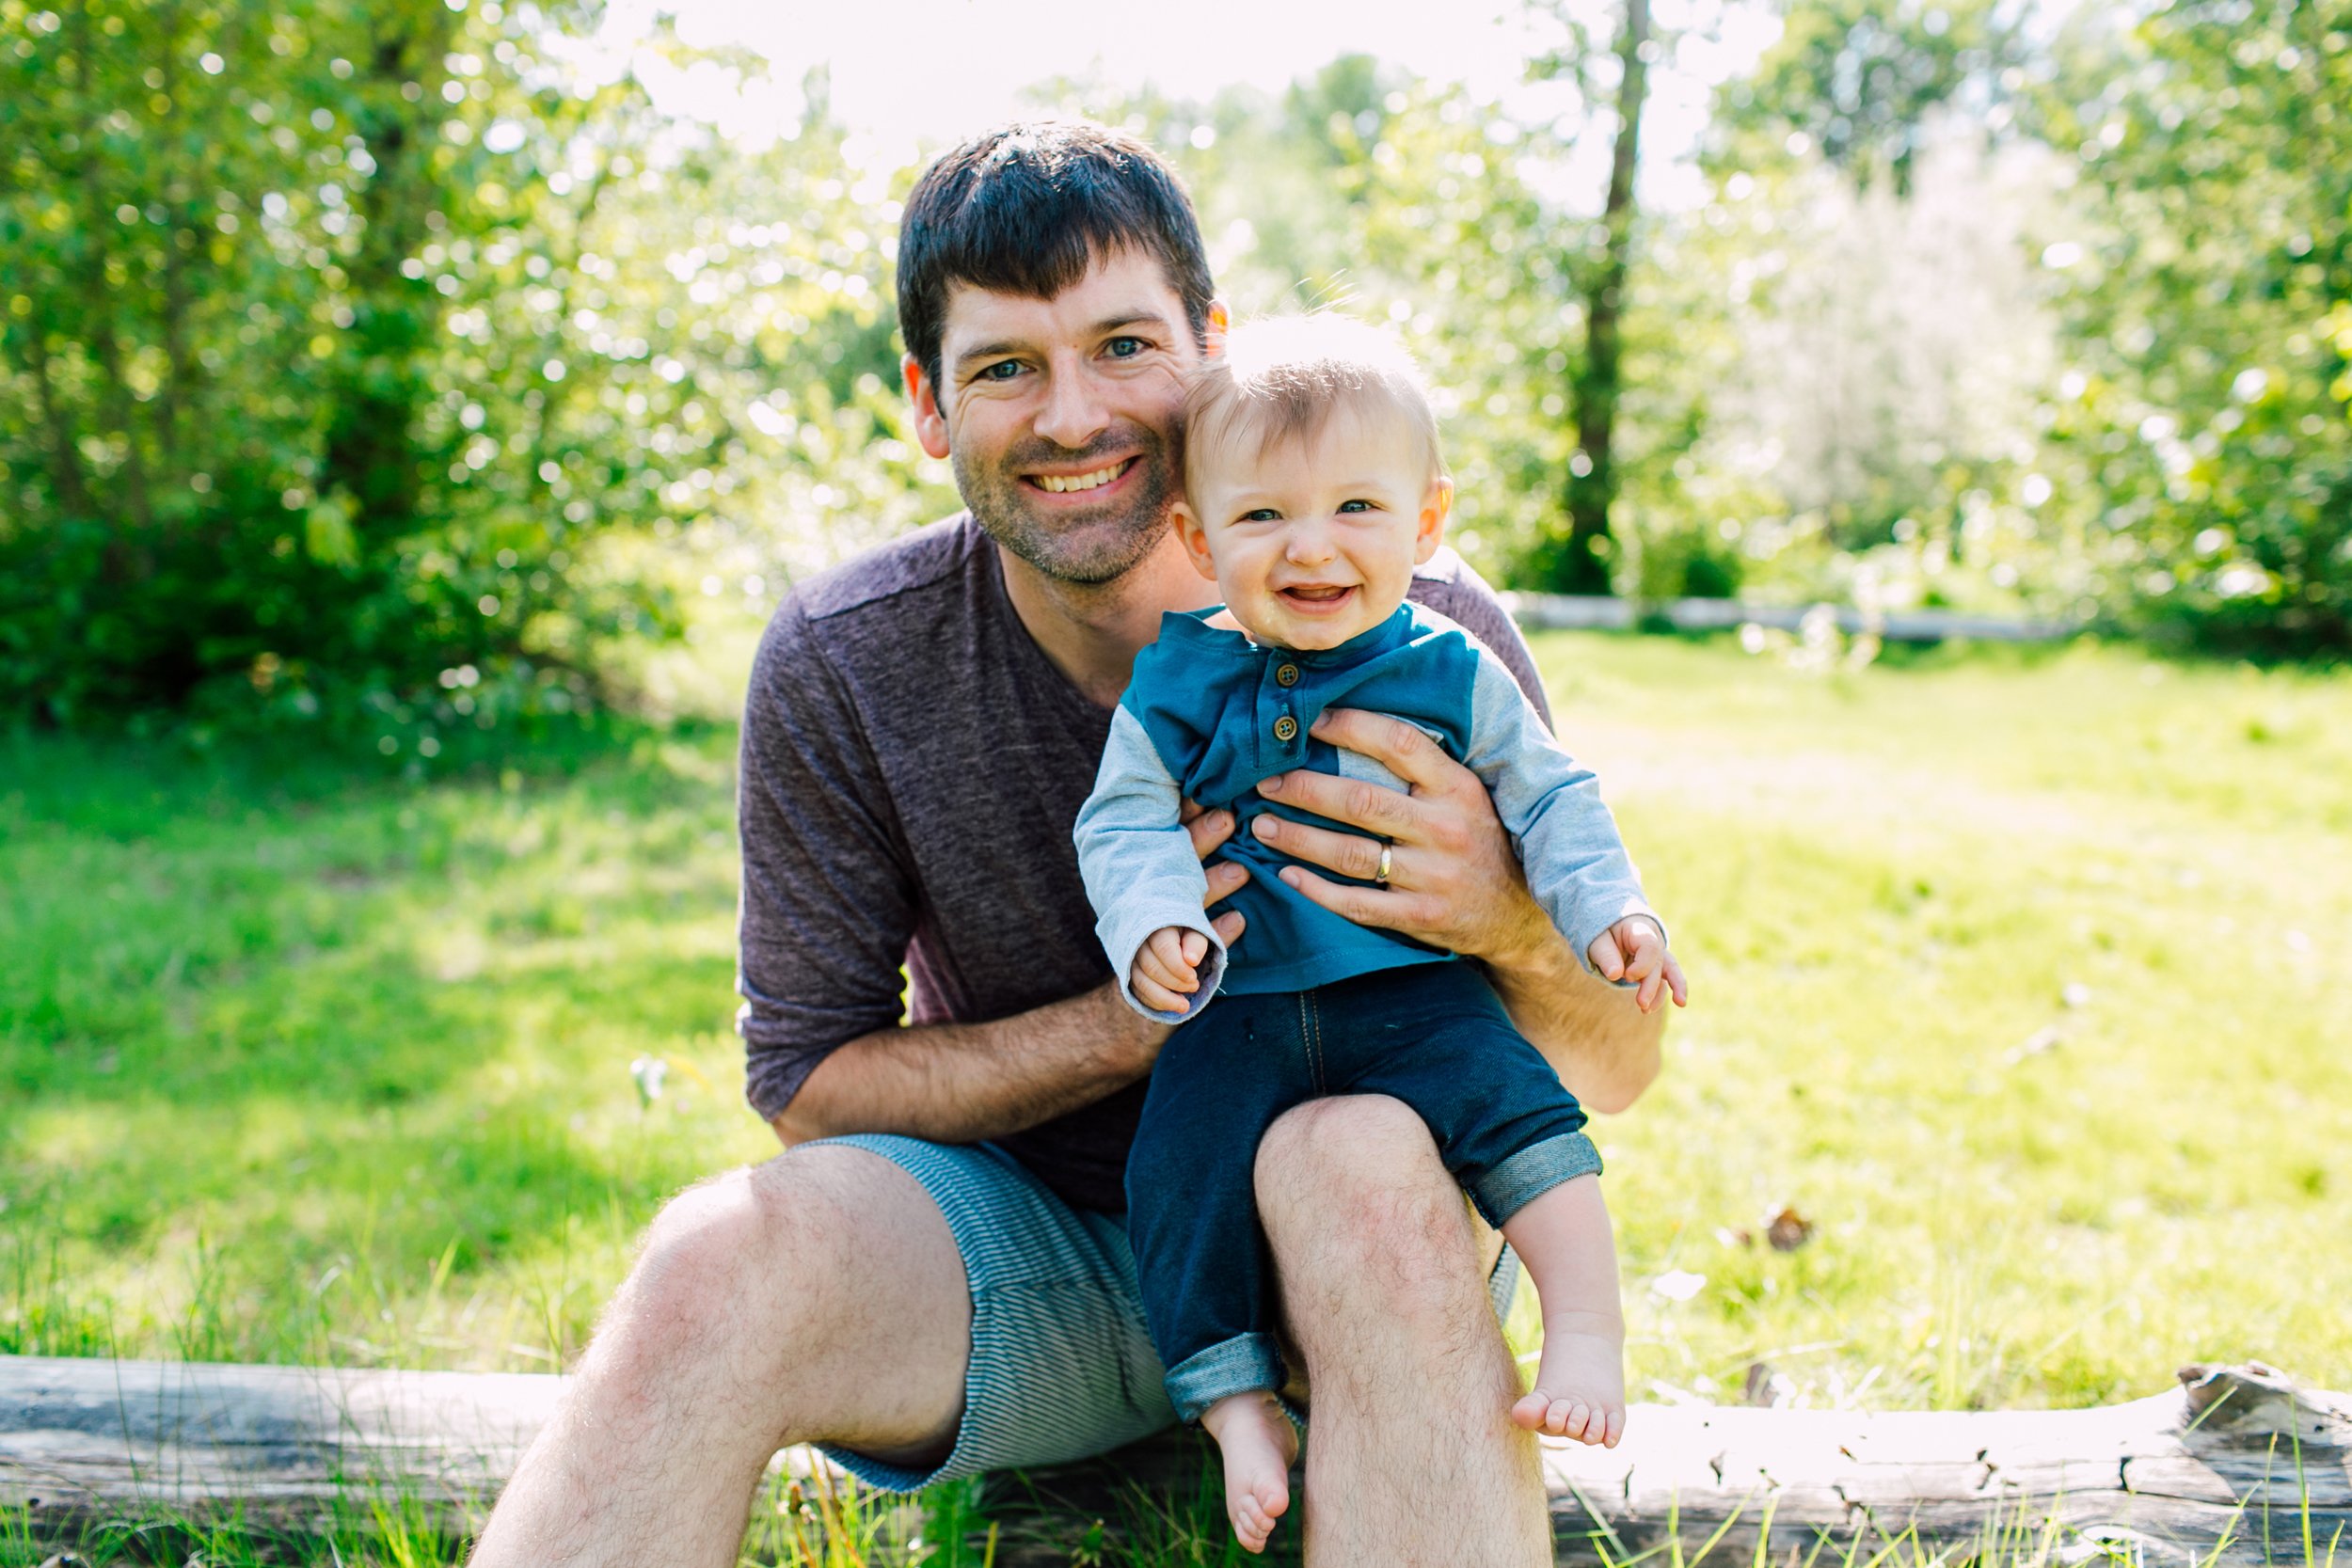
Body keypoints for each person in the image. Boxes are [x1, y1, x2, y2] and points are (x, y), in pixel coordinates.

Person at [467, 121, 1667, 1568]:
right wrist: (1128, 1025)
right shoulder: (849, 661)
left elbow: (1620, 1066)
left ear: (1213, 350)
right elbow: (808, 1087)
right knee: (711, 1260)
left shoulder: (1418, 620)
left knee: (1356, 1158)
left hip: (1356, 1246)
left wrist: (1507, 918)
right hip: (1024, 1255)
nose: (1073, 416)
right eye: (1004, 368)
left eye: (1122, 346)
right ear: (928, 404)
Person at [1076, 314, 1687, 1552]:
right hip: (1244, 1007)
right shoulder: (1177, 680)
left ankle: (1585, 1331)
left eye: (1357, 506)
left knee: (1524, 1116)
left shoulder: (1449, 666)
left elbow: (1550, 795)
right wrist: (1155, 923)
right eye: (1263, 516)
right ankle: (1236, 1404)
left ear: (1426, 520)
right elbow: (1124, 819)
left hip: (1415, 994)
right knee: (1177, 1167)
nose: (1312, 546)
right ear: (1198, 538)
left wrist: (1608, 909)